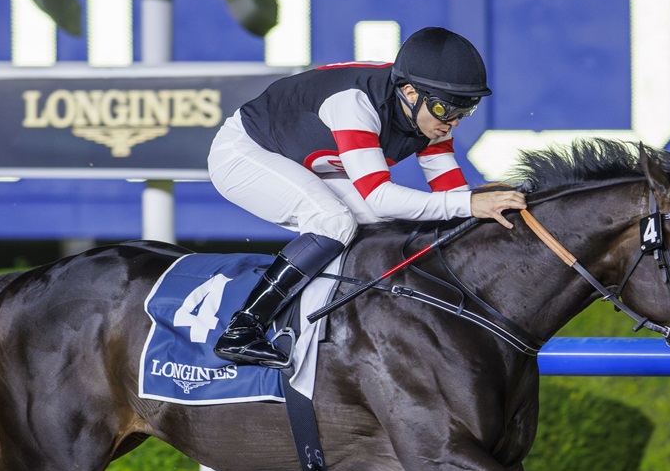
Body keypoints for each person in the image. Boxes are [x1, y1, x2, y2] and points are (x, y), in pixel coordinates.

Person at [207, 26, 527, 367]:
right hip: (244, 153)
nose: (453, 123)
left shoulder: (429, 118)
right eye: (444, 110)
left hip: (304, 160)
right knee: (334, 221)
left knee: (389, 226)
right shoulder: (355, 104)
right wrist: (468, 203)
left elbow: (453, 198)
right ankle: (243, 329)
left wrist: (492, 205)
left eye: (464, 111)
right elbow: (379, 196)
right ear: (409, 92)